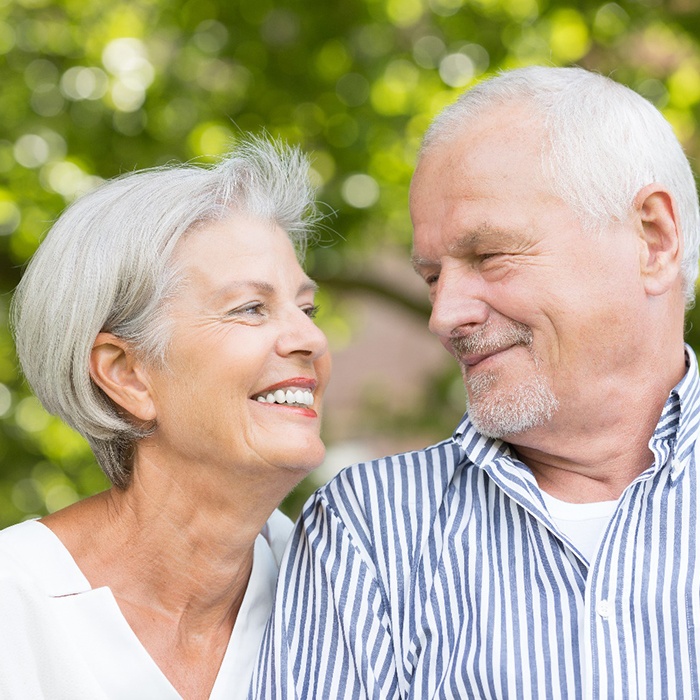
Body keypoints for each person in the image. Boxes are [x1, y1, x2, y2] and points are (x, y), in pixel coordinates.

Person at [250, 66, 700, 698]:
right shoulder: (371, 533)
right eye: (433, 278)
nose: (444, 315)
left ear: (653, 239)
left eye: (489, 256)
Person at [1, 135, 330, 699]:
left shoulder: (344, 592)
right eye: (250, 309)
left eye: (306, 308)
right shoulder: (15, 605)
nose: (311, 338)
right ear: (127, 374)